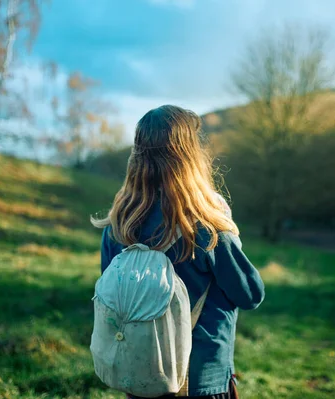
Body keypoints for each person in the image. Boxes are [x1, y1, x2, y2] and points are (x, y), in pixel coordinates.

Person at [92, 105, 265, 399]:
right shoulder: (207, 228)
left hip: (142, 374)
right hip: (200, 380)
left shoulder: (118, 226)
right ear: (189, 157)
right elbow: (250, 294)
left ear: (137, 157)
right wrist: (228, 228)